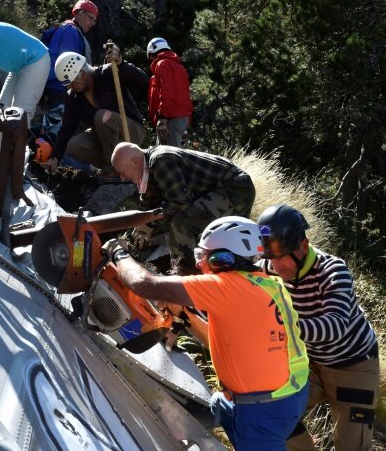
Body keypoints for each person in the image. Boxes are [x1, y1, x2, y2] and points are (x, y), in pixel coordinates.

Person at [103, 216, 309, 451]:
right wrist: (188, 317)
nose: (199, 264)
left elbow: (143, 283)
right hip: (290, 393)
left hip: (261, 411)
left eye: (203, 256)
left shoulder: (225, 286)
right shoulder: (267, 284)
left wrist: (117, 253)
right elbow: (226, 341)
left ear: (223, 259)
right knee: (219, 405)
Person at [256, 205, 379, 451]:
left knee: (351, 446)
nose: (277, 267)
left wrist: (278, 328)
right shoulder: (268, 268)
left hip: (353, 366)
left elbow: (335, 326)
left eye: (283, 257)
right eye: (271, 258)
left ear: (304, 245)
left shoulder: (333, 271)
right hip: (309, 363)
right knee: (268, 413)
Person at [111, 142, 255, 273]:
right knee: (212, 234)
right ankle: (232, 268)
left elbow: (180, 203)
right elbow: (149, 201)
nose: (122, 177)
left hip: (235, 188)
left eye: (122, 171)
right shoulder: (147, 166)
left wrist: (151, 223)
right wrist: (142, 223)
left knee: (181, 223)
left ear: (134, 161)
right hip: (223, 188)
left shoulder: (161, 162)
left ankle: (185, 276)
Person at [43, 48, 148, 179]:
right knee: (74, 145)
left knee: (102, 117)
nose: (70, 88)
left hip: (131, 131)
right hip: (106, 139)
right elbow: (66, 129)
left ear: (82, 73)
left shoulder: (108, 73)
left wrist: (121, 64)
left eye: (72, 83)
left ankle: (112, 170)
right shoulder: (73, 97)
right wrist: (55, 156)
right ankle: (113, 167)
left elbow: (144, 81)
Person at [41, 0, 99, 110]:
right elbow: (68, 64)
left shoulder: (66, 28)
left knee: (52, 123)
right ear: (80, 14)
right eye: (91, 18)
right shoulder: (71, 31)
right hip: (59, 87)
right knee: (58, 124)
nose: (92, 23)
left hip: (52, 84)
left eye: (94, 20)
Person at [146, 37, 193, 147]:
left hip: (170, 119)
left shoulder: (162, 64)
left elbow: (167, 92)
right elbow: (185, 96)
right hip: (181, 119)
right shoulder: (180, 67)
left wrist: (162, 117)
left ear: (151, 53)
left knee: (168, 159)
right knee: (176, 156)